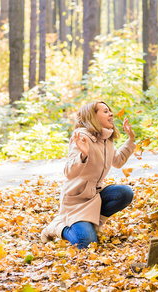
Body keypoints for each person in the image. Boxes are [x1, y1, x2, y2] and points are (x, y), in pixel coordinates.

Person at [41, 101, 136, 249]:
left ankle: (95, 222)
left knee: (125, 193)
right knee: (87, 244)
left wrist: (130, 140)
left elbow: (117, 161)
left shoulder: (106, 139)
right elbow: (68, 172)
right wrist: (83, 155)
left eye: (110, 111)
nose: (111, 114)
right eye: (105, 111)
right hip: (76, 202)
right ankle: (56, 227)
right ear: (93, 116)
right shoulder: (81, 137)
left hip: (94, 197)